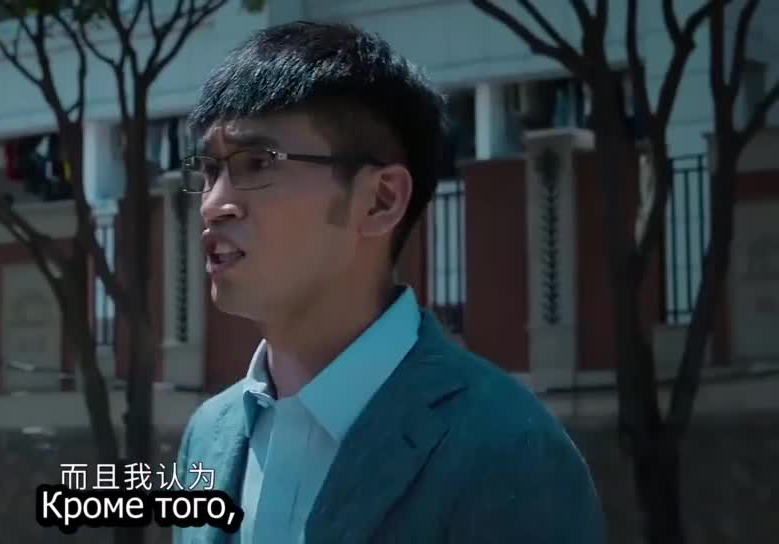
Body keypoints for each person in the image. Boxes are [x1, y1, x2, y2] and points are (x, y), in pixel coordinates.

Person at [172, 21, 605, 543]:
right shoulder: (208, 437)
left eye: (257, 163)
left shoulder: (507, 448)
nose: (215, 204)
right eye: (209, 172)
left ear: (380, 201)